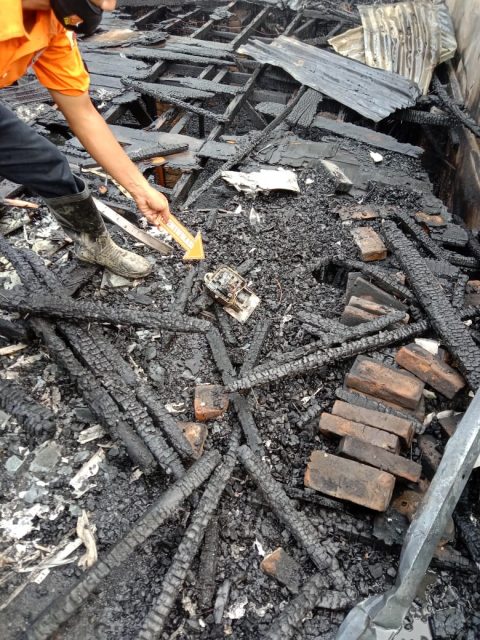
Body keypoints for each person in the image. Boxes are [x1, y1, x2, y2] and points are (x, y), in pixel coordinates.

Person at [0, 0, 171, 278]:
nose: (110, 5)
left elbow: (83, 114)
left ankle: (95, 245)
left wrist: (140, 189)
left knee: (49, 166)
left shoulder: (55, 24)